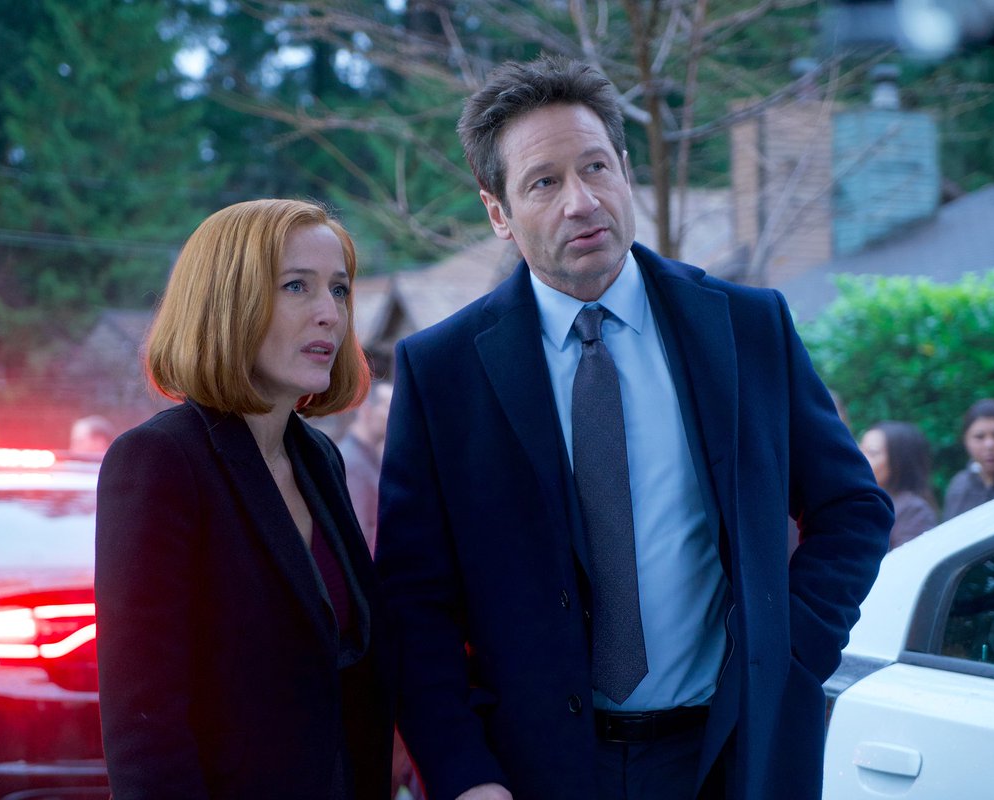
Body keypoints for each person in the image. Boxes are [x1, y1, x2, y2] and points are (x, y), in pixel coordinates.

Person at [376, 56, 893, 800]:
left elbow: (853, 508)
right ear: (498, 212)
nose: (581, 202)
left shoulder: (746, 327)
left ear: (625, 170)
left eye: (595, 167)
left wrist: (789, 648)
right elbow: (413, 602)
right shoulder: (442, 371)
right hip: (533, 770)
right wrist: (464, 774)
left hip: (730, 756)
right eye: (543, 182)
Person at [95, 199, 393, 799]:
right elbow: (145, 727)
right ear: (227, 303)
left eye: (338, 290)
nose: (330, 314)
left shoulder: (319, 458)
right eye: (296, 286)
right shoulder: (160, 461)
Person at [859, 421, 939, 549]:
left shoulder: (913, 511)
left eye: (872, 453)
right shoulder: (866, 501)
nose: (860, 459)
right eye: (860, 451)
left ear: (899, 461)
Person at [338, 380, 394, 556]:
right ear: (367, 410)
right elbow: (358, 533)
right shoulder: (351, 462)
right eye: (388, 407)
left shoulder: (370, 455)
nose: (393, 415)